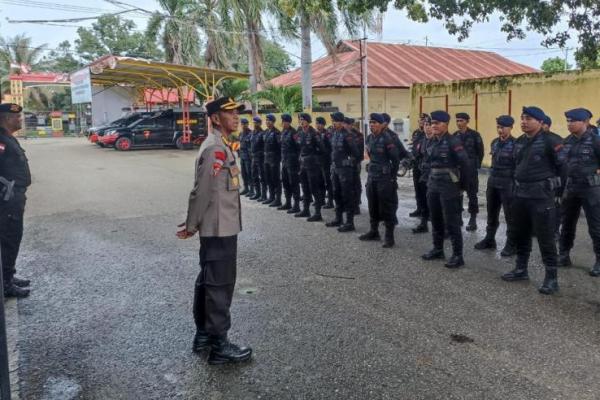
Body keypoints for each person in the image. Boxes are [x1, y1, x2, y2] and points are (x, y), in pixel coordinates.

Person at [177, 97, 252, 365]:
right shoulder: (215, 149)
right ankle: (220, 345)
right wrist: (191, 224)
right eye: (230, 113)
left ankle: (204, 336)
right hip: (219, 228)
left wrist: (193, 223)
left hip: (220, 225)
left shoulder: (219, 145)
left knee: (208, 282)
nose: (236, 118)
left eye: (237, 114)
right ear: (215, 118)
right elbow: (202, 191)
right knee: (219, 286)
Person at [501, 106, 565, 295]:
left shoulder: (551, 140)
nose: (523, 121)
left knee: (545, 238)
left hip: (541, 196)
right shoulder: (520, 141)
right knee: (521, 233)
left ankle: (551, 278)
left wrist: (558, 193)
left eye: (528, 118)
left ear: (540, 121)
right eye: (522, 118)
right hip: (521, 194)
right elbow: (516, 165)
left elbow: (564, 167)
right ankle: (521, 269)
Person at [421, 110, 472, 269]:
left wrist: (462, 187)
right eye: (432, 123)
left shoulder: (453, 141)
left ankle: (458, 255)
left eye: (437, 123)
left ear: (446, 124)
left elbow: (465, 164)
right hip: (433, 184)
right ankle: (438, 249)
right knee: (435, 218)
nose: (434, 126)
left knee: (452, 221)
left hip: (449, 186)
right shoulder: (431, 141)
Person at [558, 108, 600, 276]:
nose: (569, 124)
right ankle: (564, 254)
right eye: (568, 121)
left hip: (591, 189)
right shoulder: (566, 141)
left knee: (596, 226)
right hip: (571, 188)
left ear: (585, 122)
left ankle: (599, 260)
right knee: (567, 223)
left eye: (573, 121)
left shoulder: (596, 141)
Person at [0, 103, 31, 298]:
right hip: (7, 199)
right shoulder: (1, 141)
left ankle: (8, 276)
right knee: (9, 239)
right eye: (16, 117)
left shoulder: (7, 138)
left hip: (14, 197)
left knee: (13, 237)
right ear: (5, 119)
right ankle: (5, 284)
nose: (19, 120)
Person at [474, 115, 516, 256]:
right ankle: (489, 239)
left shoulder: (517, 144)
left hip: (508, 183)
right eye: (498, 127)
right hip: (493, 182)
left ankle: (511, 244)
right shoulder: (494, 143)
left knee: (510, 216)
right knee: (491, 213)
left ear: (510, 128)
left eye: (503, 127)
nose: (500, 130)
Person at [359, 113, 400, 247]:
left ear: (381, 125)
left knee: (386, 206)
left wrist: (392, 177)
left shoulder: (387, 139)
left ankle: (389, 236)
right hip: (372, 176)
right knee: (373, 204)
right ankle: (374, 231)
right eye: (370, 123)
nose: (372, 125)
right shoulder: (370, 138)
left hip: (384, 178)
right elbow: (371, 156)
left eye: (375, 123)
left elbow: (395, 159)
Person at [326, 112, 362, 232]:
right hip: (336, 169)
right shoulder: (334, 134)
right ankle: (338, 218)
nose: (333, 123)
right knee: (336, 194)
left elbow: (357, 154)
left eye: (335, 121)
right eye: (333, 121)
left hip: (345, 171)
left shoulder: (348, 136)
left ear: (341, 122)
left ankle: (349, 222)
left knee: (347, 195)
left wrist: (349, 163)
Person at [453, 112, 484, 231]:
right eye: (457, 121)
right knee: (457, 194)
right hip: (458, 170)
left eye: (461, 120)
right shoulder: (454, 136)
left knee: (472, 195)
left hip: (470, 170)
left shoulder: (475, 135)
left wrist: (475, 166)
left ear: (467, 121)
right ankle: (458, 217)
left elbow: (480, 152)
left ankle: (473, 219)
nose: (459, 123)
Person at [295, 113, 325, 222]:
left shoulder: (314, 133)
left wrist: (313, 157)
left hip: (312, 165)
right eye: (300, 120)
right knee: (305, 187)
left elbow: (322, 149)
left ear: (308, 121)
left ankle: (317, 213)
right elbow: (299, 148)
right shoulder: (300, 133)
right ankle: (306, 210)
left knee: (314, 188)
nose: (301, 121)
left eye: (303, 120)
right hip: (303, 164)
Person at [382, 112, 410, 225]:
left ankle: (392, 217)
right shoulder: (375, 135)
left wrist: (399, 166)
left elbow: (402, 151)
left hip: (389, 171)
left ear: (386, 123)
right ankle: (384, 216)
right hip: (378, 172)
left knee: (390, 194)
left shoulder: (392, 136)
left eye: (380, 121)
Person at [542, 115, 564, 240]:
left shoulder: (556, 139)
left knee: (555, 206)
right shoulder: (531, 139)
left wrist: (560, 187)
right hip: (538, 182)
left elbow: (562, 165)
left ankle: (555, 231)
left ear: (547, 125)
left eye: (542, 124)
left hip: (553, 180)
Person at [412, 116, 433, 234]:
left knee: (436, 202)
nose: (428, 128)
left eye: (429, 125)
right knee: (423, 199)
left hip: (435, 176)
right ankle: (423, 223)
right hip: (423, 174)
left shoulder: (438, 140)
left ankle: (443, 228)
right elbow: (416, 155)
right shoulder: (421, 141)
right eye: (426, 125)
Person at [279, 114, 301, 213]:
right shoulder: (283, 132)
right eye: (282, 121)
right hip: (284, 161)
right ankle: (288, 202)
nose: (283, 123)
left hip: (292, 163)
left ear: (288, 122)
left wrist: (297, 161)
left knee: (294, 183)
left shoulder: (294, 133)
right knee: (285, 182)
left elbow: (299, 148)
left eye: (284, 121)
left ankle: (296, 205)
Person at [344, 117, 364, 215]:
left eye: (347, 124)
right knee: (346, 185)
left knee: (355, 184)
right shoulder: (341, 133)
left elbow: (359, 151)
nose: (345, 126)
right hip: (344, 164)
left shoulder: (358, 135)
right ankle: (347, 205)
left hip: (355, 163)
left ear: (350, 125)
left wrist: (355, 161)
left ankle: (356, 206)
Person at [410, 114, 428, 217]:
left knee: (425, 188)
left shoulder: (429, 134)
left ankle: (427, 211)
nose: (421, 122)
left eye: (423, 121)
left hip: (425, 165)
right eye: (420, 120)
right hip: (416, 164)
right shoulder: (416, 133)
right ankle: (419, 208)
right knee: (417, 188)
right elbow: (414, 147)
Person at [263, 114, 282, 207]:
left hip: (274, 160)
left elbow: (280, 147)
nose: (267, 122)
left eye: (269, 120)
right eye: (266, 120)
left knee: (276, 179)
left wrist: (278, 159)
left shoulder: (277, 133)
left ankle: (278, 199)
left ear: (273, 122)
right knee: (268, 178)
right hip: (266, 159)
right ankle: (271, 197)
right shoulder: (265, 132)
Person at [316, 117, 334, 209]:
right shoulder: (315, 134)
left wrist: (324, 152)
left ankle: (330, 201)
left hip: (326, 161)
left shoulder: (327, 134)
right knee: (319, 181)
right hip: (317, 162)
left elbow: (331, 147)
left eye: (320, 124)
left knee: (328, 182)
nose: (318, 125)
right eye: (317, 123)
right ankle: (321, 200)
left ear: (323, 125)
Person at [249, 116, 266, 201]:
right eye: (254, 122)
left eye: (257, 122)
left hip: (260, 158)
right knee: (254, 176)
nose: (255, 124)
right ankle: (257, 193)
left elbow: (265, 147)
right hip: (253, 157)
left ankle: (264, 195)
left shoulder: (262, 133)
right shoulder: (252, 133)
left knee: (262, 177)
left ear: (260, 123)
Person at [238, 118, 253, 196]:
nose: (244, 125)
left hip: (248, 156)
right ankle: (246, 188)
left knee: (249, 173)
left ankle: (252, 190)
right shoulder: (240, 134)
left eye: (245, 124)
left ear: (247, 124)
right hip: (242, 156)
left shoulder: (251, 133)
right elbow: (239, 144)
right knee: (243, 173)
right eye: (242, 124)